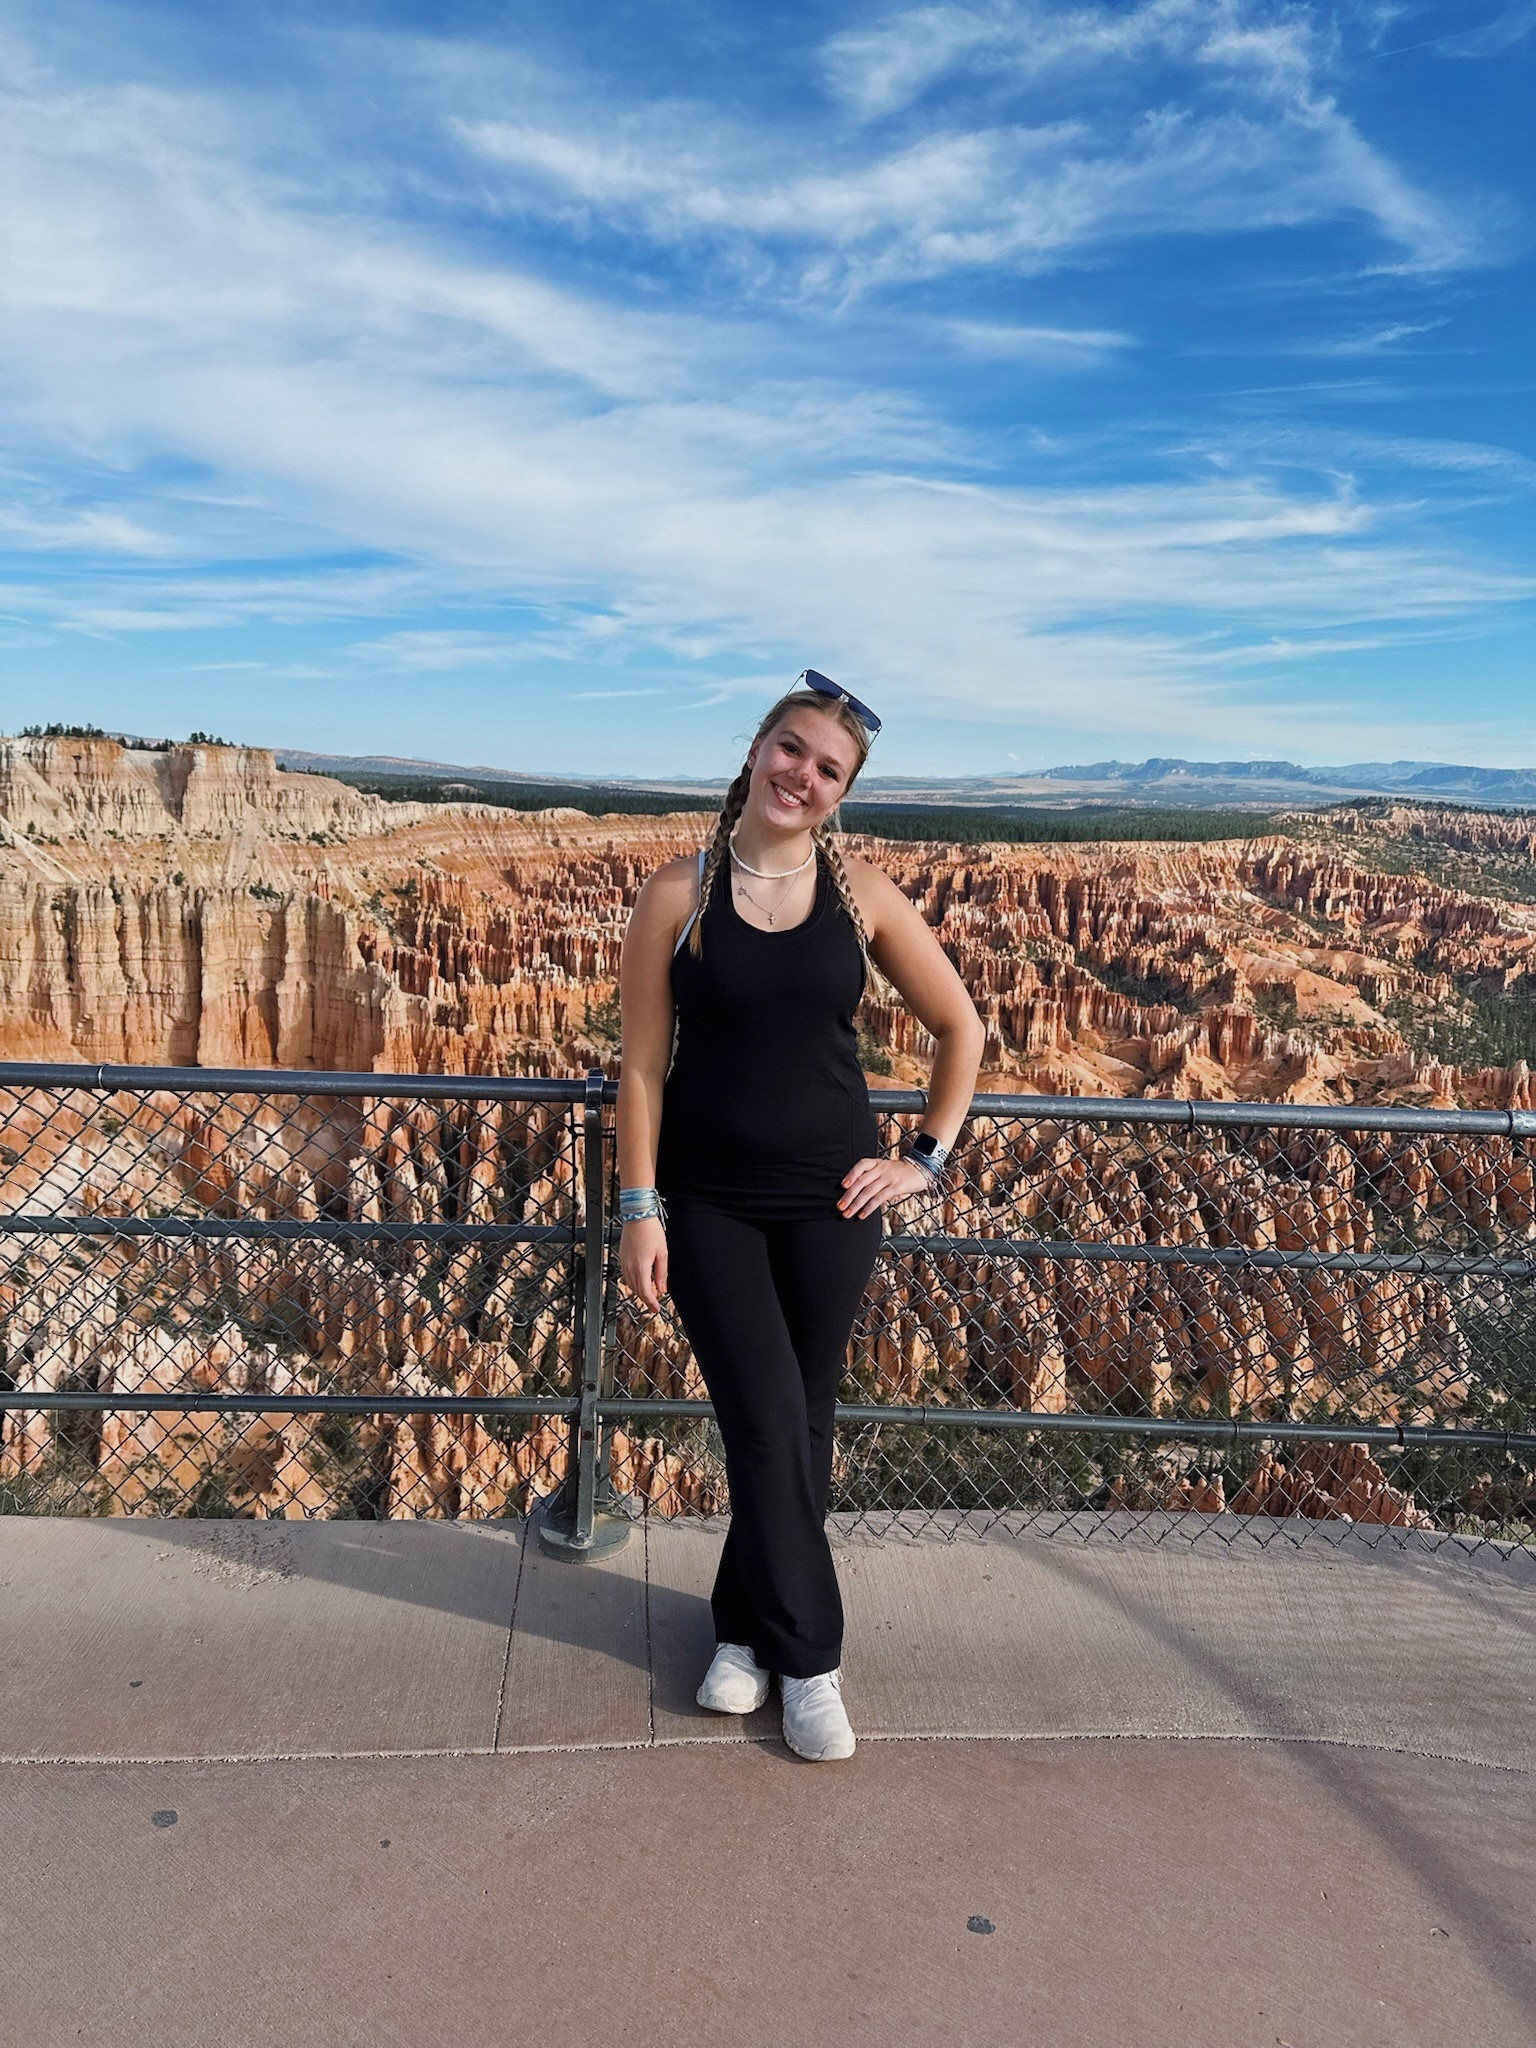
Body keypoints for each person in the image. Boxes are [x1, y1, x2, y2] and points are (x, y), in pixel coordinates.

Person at [615, 671, 985, 1761]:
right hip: (710, 1200)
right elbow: (639, 1068)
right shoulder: (675, 894)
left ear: (843, 793)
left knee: (805, 1421)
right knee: (769, 1418)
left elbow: (961, 1029)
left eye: (828, 768)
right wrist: (640, 1207)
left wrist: (924, 1160)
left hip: (835, 1199)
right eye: (790, 748)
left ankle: (742, 1630)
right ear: (755, 749)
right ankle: (814, 1661)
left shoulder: (861, 894)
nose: (801, 775)